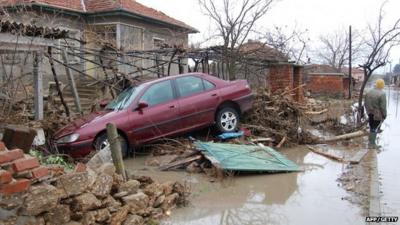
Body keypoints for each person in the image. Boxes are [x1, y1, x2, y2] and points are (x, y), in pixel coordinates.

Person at [364, 79, 387, 147]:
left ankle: (370, 141)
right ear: (382, 85)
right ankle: (372, 144)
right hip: (377, 114)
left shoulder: (368, 92)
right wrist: (384, 115)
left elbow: (365, 103)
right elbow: (383, 107)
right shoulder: (382, 94)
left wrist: (368, 111)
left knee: (371, 127)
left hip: (369, 112)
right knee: (375, 128)